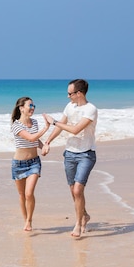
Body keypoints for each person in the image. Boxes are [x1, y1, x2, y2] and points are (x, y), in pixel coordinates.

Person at [42, 79, 97, 239]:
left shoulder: (91, 109)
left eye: (70, 93)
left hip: (86, 154)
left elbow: (74, 130)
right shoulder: (69, 107)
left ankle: (79, 223)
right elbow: (61, 127)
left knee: (78, 189)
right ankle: (84, 215)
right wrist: (47, 141)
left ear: (79, 93)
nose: (68, 96)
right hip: (70, 154)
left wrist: (54, 122)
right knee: (74, 191)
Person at [11, 97, 50, 232]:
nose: (33, 107)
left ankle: (29, 220)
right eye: (30, 105)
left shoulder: (34, 122)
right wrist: (46, 127)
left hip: (34, 163)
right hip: (18, 164)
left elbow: (36, 140)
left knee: (29, 193)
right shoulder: (15, 125)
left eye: (34, 105)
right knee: (22, 195)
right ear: (21, 108)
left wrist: (43, 146)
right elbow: (30, 137)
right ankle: (25, 219)